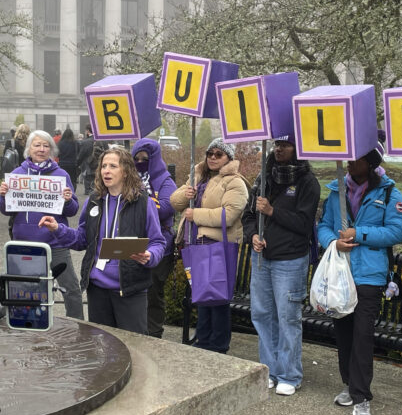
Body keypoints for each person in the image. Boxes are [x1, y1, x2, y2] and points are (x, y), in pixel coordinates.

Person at [318, 135, 402, 415]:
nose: (347, 162)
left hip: (369, 276)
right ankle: (349, 384)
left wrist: (359, 234)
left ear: (370, 163)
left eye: (354, 158)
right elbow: (323, 227)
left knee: (363, 337)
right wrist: (334, 242)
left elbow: (396, 232)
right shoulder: (336, 191)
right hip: (341, 275)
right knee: (343, 334)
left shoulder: (390, 192)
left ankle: (362, 396)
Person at [39, 146, 166, 333]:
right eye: (104, 166)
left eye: (113, 166)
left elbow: (158, 243)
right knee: (102, 347)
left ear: (126, 171)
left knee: (133, 348)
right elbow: (82, 239)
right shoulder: (94, 200)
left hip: (130, 288)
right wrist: (58, 229)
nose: (106, 170)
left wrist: (149, 255)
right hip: (97, 288)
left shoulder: (143, 203)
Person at [242, 135, 320, 396]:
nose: (279, 149)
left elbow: (304, 223)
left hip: (290, 260)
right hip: (262, 258)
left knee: (287, 317)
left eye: (285, 145)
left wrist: (274, 212)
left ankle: (289, 374)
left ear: (297, 148)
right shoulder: (264, 178)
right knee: (263, 314)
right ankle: (270, 370)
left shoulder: (307, 182)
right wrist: (253, 235)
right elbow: (248, 215)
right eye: (277, 144)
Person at [170, 137, 249, 354]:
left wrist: (196, 214)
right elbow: (175, 203)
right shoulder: (199, 176)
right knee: (202, 294)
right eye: (210, 153)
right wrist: (186, 193)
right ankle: (203, 339)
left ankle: (218, 343)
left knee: (217, 296)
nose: (212, 158)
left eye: (218, 154)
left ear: (228, 157)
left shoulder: (235, 182)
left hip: (217, 244)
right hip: (196, 244)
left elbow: (229, 214)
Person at [0, 130, 84, 320]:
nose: (42, 149)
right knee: (25, 289)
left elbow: (72, 211)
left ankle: (78, 326)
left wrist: (69, 200)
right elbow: (6, 210)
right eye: (37, 145)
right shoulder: (16, 174)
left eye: (46, 146)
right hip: (25, 243)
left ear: (52, 150)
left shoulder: (61, 175)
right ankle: (26, 324)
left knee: (71, 289)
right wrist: (3, 196)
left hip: (55, 243)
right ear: (29, 149)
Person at [131, 138, 177, 338]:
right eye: (137, 158)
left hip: (159, 246)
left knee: (154, 293)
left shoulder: (165, 180)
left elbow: (167, 207)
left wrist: (141, 200)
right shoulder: (128, 177)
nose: (141, 162)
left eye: (145, 159)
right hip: (132, 244)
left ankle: (154, 332)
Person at [77, 124, 95, 195]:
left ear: (88, 131)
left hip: (88, 165)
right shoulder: (100, 141)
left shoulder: (85, 142)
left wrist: (77, 164)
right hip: (99, 165)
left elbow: (81, 155)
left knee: (87, 181)